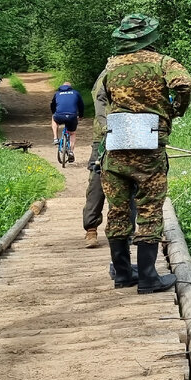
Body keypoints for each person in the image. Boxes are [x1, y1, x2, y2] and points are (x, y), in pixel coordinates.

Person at [97, 14, 191, 294]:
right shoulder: (163, 62)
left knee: (117, 210)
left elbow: (102, 95)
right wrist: (177, 108)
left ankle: (123, 274)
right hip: (148, 146)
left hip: (116, 145)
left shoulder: (111, 66)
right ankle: (149, 277)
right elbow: (183, 83)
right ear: (150, 37)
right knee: (150, 209)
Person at [81, 68, 108, 248]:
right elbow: (100, 101)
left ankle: (142, 229)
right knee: (97, 181)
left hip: (134, 136)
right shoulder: (108, 74)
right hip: (104, 136)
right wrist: (108, 128)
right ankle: (91, 229)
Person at [50, 81, 85, 161]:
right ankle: (71, 152)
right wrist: (81, 115)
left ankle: (55, 138)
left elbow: (52, 105)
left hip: (59, 116)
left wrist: (54, 112)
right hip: (72, 116)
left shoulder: (57, 94)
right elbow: (81, 105)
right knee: (72, 133)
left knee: (53, 119)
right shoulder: (75, 93)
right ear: (70, 87)